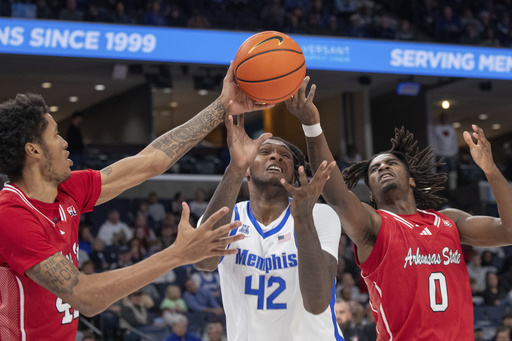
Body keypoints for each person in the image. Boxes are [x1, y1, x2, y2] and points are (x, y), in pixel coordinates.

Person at [0, 62, 273, 340]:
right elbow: (84, 297)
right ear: (33, 150)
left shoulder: (68, 188)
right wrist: (177, 254)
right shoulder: (11, 215)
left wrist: (223, 105)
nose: (64, 142)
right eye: (55, 135)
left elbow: (150, 162)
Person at [285, 76, 512, 340]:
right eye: (374, 168)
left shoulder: (448, 221)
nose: (382, 167)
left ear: (412, 180)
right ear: (370, 193)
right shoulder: (374, 225)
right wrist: (311, 125)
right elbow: (336, 196)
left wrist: (491, 170)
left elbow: (508, 232)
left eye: (391, 163)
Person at [193, 113, 342, 340]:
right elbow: (203, 262)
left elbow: (317, 302)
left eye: (285, 156)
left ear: (294, 175)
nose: (276, 156)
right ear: (248, 170)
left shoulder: (319, 215)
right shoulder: (227, 217)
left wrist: (302, 218)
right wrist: (235, 168)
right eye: (265, 152)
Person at [430, 111, 459, 190]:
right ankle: (444, 188)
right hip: (441, 154)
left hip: (451, 153)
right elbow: (434, 141)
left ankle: (453, 187)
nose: (444, 120)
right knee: (443, 171)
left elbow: (454, 141)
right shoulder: (436, 129)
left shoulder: (451, 129)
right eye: (442, 119)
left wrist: (454, 151)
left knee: (453, 170)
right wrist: (437, 153)